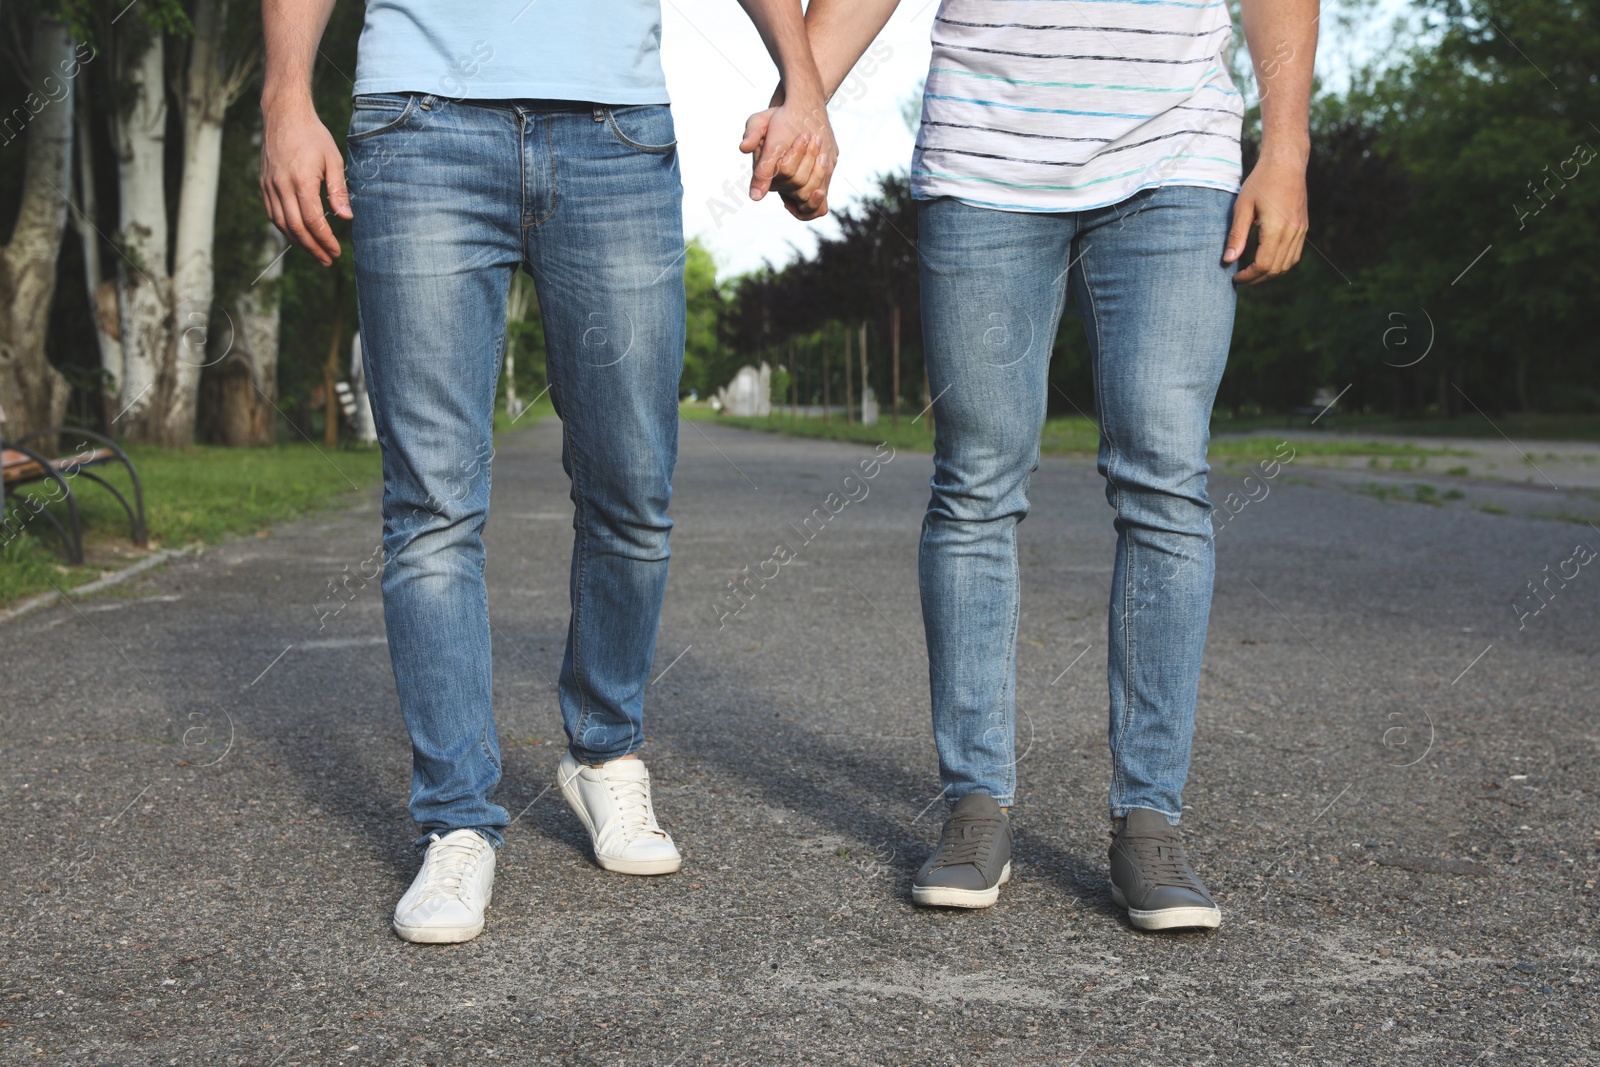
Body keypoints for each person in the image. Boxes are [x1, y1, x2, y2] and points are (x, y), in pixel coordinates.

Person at [260, 0, 836, 943]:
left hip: (613, 128)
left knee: (632, 487)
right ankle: (455, 819)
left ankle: (604, 753)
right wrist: (286, 98)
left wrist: (803, 85)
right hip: (419, 120)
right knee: (432, 505)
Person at [754, 0, 1316, 927]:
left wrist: (1285, 146)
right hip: (985, 163)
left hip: (1177, 160)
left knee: (1166, 482)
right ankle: (976, 806)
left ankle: (1151, 823)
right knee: (975, 484)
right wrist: (801, 101)